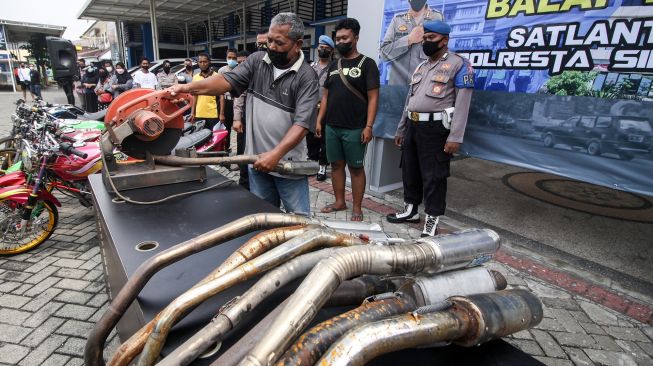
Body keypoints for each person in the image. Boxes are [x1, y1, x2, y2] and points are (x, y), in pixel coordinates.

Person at [167, 12, 319, 216]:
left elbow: (301, 125)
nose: (272, 47)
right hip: (256, 161)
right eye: (270, 40)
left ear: (298, 44)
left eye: (279, 42)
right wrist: (186, 88)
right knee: (264, 218)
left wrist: (275, 155)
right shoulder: (257, 61)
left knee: (301, 222)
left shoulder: (307, 77)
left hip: (288, 164)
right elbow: (224, 82)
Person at [386, 20, 475, 237]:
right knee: (410, 170)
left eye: (431, 38)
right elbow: (410, 100)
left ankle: (431, 220)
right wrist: (401, 129)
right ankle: (410, 210)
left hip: (436, 129)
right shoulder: (421, 66)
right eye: (424, 38)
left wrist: (456, 137)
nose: (426, 42)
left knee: (434, 176)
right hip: (413, 126)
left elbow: (463, 104)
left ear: (444, 41)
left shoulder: (459, 64)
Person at [316, 18, 379, 222]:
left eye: (345, 37)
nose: (341, 41)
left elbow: (373, 97)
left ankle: (357, 207)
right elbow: (325, 95)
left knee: (356, 168)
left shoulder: (367, 64)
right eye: (338, 38)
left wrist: (369, 126)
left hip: (355, 128)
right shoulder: (334, 64)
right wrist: (319, 120)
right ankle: (339, 201)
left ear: (356, 38)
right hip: (332, 126)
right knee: (336, 165)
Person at [380, 0, 442, 86]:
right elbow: (384, 54)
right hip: (397, 88)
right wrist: (409, 40)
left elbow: (441, 55)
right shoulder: (398, 20)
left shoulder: (436, 18)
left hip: (423, 88)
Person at [308, 35, 334, 181]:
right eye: (321, 47)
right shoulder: (311, 67)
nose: (323, 50)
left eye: (326, 48)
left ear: (331, 50)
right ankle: (311, 162)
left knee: (325, 138)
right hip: (311, 109)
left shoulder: (334, 67)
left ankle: (322, 166)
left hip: (327, 109)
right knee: (311, 136)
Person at [232, 50, 250, 189]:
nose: (241, 65)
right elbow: (239, 98)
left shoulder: (258, 74)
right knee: (243, 152)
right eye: (238, 63)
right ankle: (244, 185)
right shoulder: (240, 78)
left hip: (259, 121)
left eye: (244, 62)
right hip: (244, 122)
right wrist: (237, 119)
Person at [191, 53, 220, 130]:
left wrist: (222, 114)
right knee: (200, 138)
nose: (203, 64)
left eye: (205, 62)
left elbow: (222, 96)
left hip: (213, 113)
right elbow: (194, 97)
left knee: (213, 138)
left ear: (209, 62)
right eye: (200, 62)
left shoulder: (216, 76)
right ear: (198, 63)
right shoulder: (195, 78)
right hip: (199, 113)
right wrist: (192, 112)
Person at [218, 49, 238, 152]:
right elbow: (220, 91)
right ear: (226, 57)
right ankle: (225, 152)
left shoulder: (241, 69)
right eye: (229, 57)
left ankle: (240, 154)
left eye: (234, 58)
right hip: (226, 102)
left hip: (238, 102)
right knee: (226, 130)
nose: (232, 60)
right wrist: (221, 112)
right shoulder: (222, 71)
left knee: (240, 129)